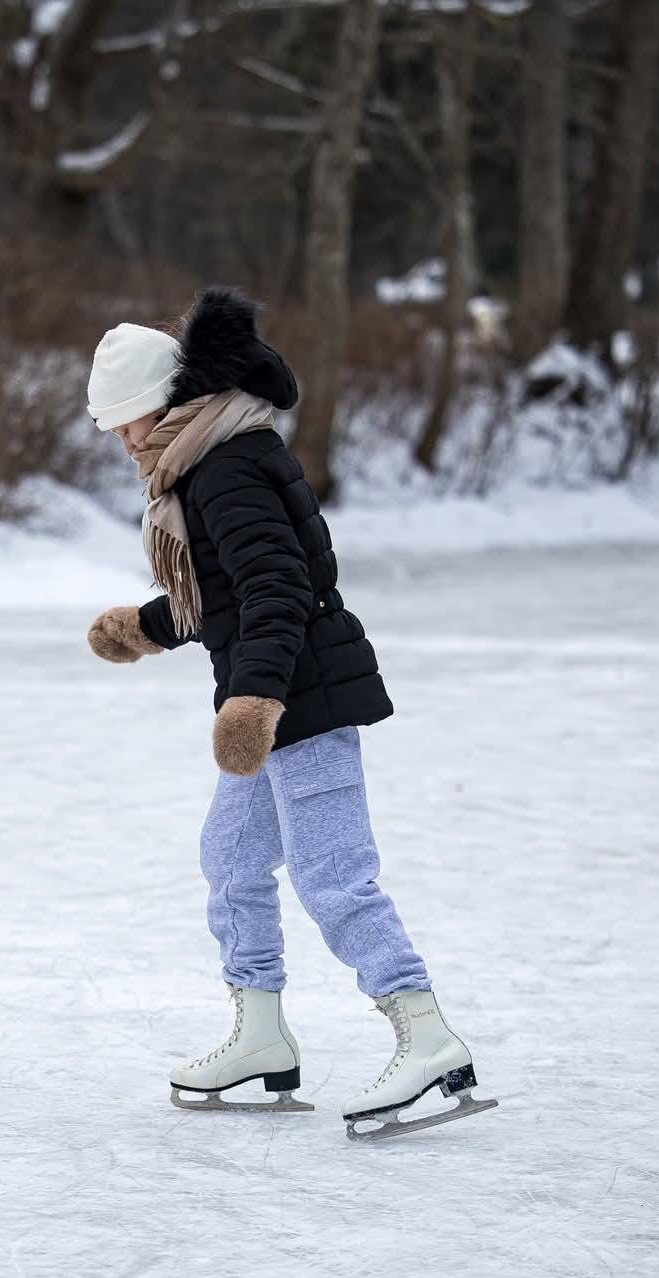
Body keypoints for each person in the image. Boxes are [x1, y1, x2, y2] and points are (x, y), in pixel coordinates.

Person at [83, 287, 495, 1140]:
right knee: (230, 857)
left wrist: (254, 701)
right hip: (279, 696)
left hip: (299, 700)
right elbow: (227, 596)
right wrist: (147, 628)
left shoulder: (226, 467)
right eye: (113, 425)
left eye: (132, 418)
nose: (125, 440)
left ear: (172, 402)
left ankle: (426, 1035)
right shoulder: (203, 464)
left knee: (332, 875)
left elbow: (279, 590)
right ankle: (262, 1034)